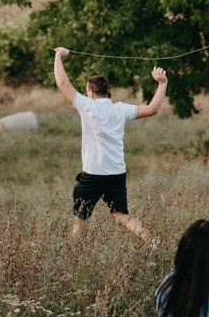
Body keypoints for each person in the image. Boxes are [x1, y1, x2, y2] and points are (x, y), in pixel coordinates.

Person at [53, 47, 167, 245]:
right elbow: (153, 109)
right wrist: (162, 83)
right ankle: (152, 242)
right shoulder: (121, 109)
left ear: (90, 92)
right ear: (107, 92)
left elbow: (63, 83)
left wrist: (58, 55)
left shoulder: (87, 106)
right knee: (121, 215)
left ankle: (72, 257)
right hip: (116, 172)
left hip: (93, 174)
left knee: (80, 220)